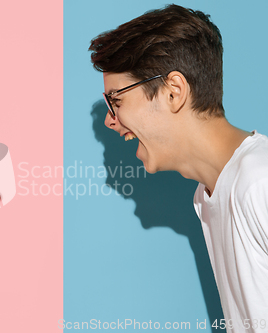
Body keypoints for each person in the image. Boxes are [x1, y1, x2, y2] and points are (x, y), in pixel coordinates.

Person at [89, 4, 268, 333]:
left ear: (173, 91)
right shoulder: (207, 196)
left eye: (116, 100)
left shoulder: (260, 181)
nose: (110, 120)